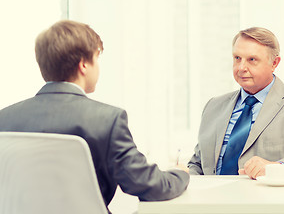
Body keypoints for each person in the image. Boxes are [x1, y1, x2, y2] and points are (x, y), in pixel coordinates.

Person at [0, 20, 189, 210]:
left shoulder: (5, 119)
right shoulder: (107, 120)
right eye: (96, 59)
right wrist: (180, 173)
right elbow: (148, 184)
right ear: (84, 65)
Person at [187, 27, 284, 179]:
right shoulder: (213, 106)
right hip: (210, 205)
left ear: (274, 63)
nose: (241, 67)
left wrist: (279, 167)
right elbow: (197, 164)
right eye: (237, 58)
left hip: (268, 205)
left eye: (252, 60)